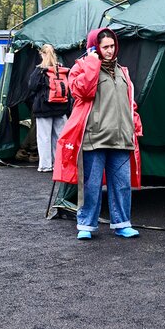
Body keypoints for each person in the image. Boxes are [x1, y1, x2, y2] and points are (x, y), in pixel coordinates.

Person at [53, 28, 142, 240]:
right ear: (95, 48)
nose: (110, 50)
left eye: (112, 46)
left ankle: (122, 223)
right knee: (91, 185)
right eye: (105, 47)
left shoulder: (123, 71)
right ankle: (86, 224)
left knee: (122, 185)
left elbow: (129, 101)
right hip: (94, 138)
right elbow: (82, 92)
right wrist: (92, 63)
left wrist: (134, 122)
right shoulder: (81, 68)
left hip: (121, 137)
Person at [28, 44, 69, 172]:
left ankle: (45, 165)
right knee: (60, 137)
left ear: (42, 54)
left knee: (44, 138)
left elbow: (32, 86)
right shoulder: (61, 69)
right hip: (61, 107)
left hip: (43, 108)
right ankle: (59, 164)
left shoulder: (40, 70)